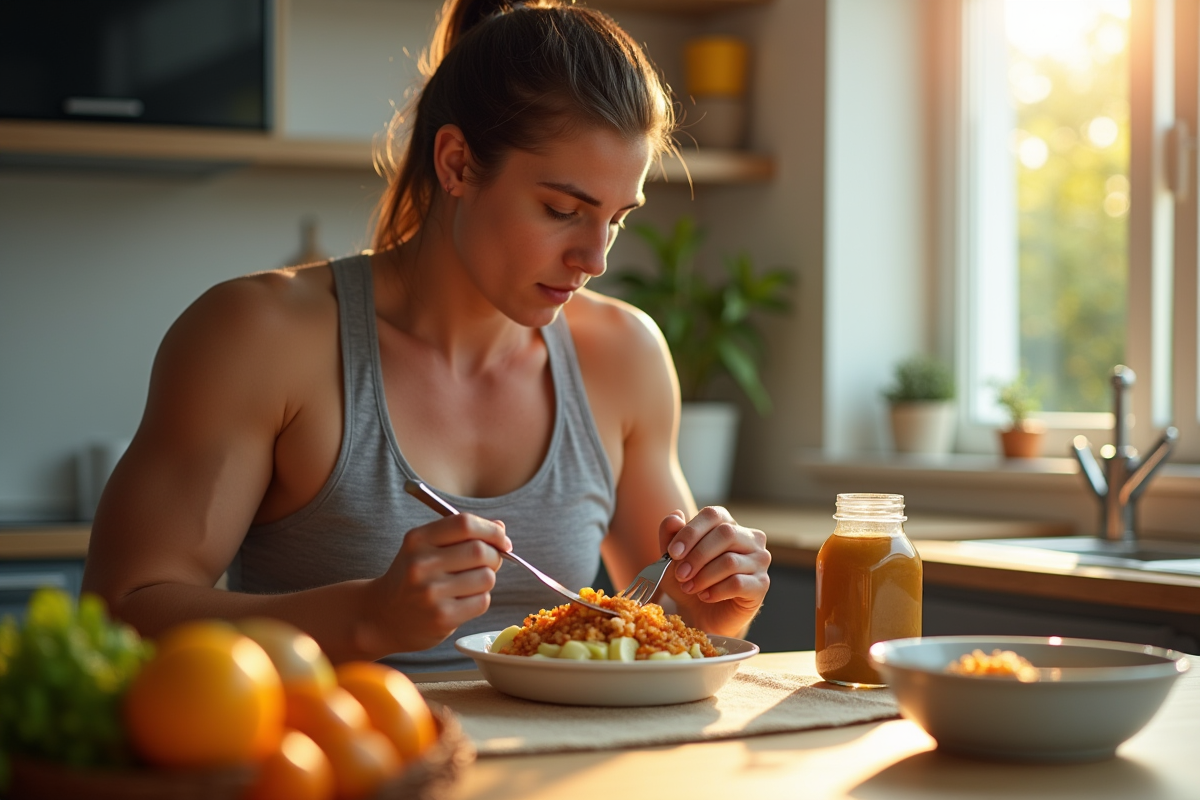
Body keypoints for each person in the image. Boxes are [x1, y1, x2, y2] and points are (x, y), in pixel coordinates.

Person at [81, 0, 771, 672]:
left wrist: (714, 603)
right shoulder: (261, 336)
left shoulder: (625, 355)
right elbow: (120, 615)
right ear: (456, 164)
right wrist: (367, 618)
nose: (597, 259)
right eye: (563, 210)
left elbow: (675, 618)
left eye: (618, 217)